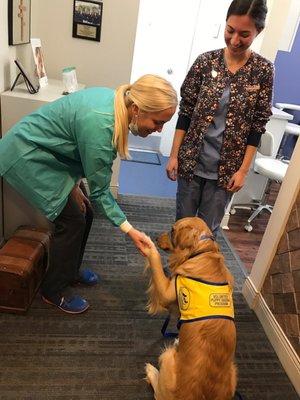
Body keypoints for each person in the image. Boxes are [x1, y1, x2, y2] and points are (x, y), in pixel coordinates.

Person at [0, 74, 177, 314]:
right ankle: (53, 291)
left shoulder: (116, 100)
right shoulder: (102, 124)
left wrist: (72, 185)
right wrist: (130, 230)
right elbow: (101, 191)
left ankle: (69, 271)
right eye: (157, 122)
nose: (159, 130)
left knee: (87, 213)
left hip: (50, 154)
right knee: (71, 221)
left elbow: (76, 150)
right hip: (27, 154)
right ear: (136, 109)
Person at [166, 0, 274, 234]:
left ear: (259, 31)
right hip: (191, 161)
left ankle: (199, 272)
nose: (235, 40)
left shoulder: (263, 71)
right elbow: (186, 112)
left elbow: (258, 126)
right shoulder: (205, 62)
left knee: (207, 233)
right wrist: (174, 155)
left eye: (244, 34)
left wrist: (243, 170)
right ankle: (176, 270)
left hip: (226, 170)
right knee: (182, 227)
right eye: (230, 30)